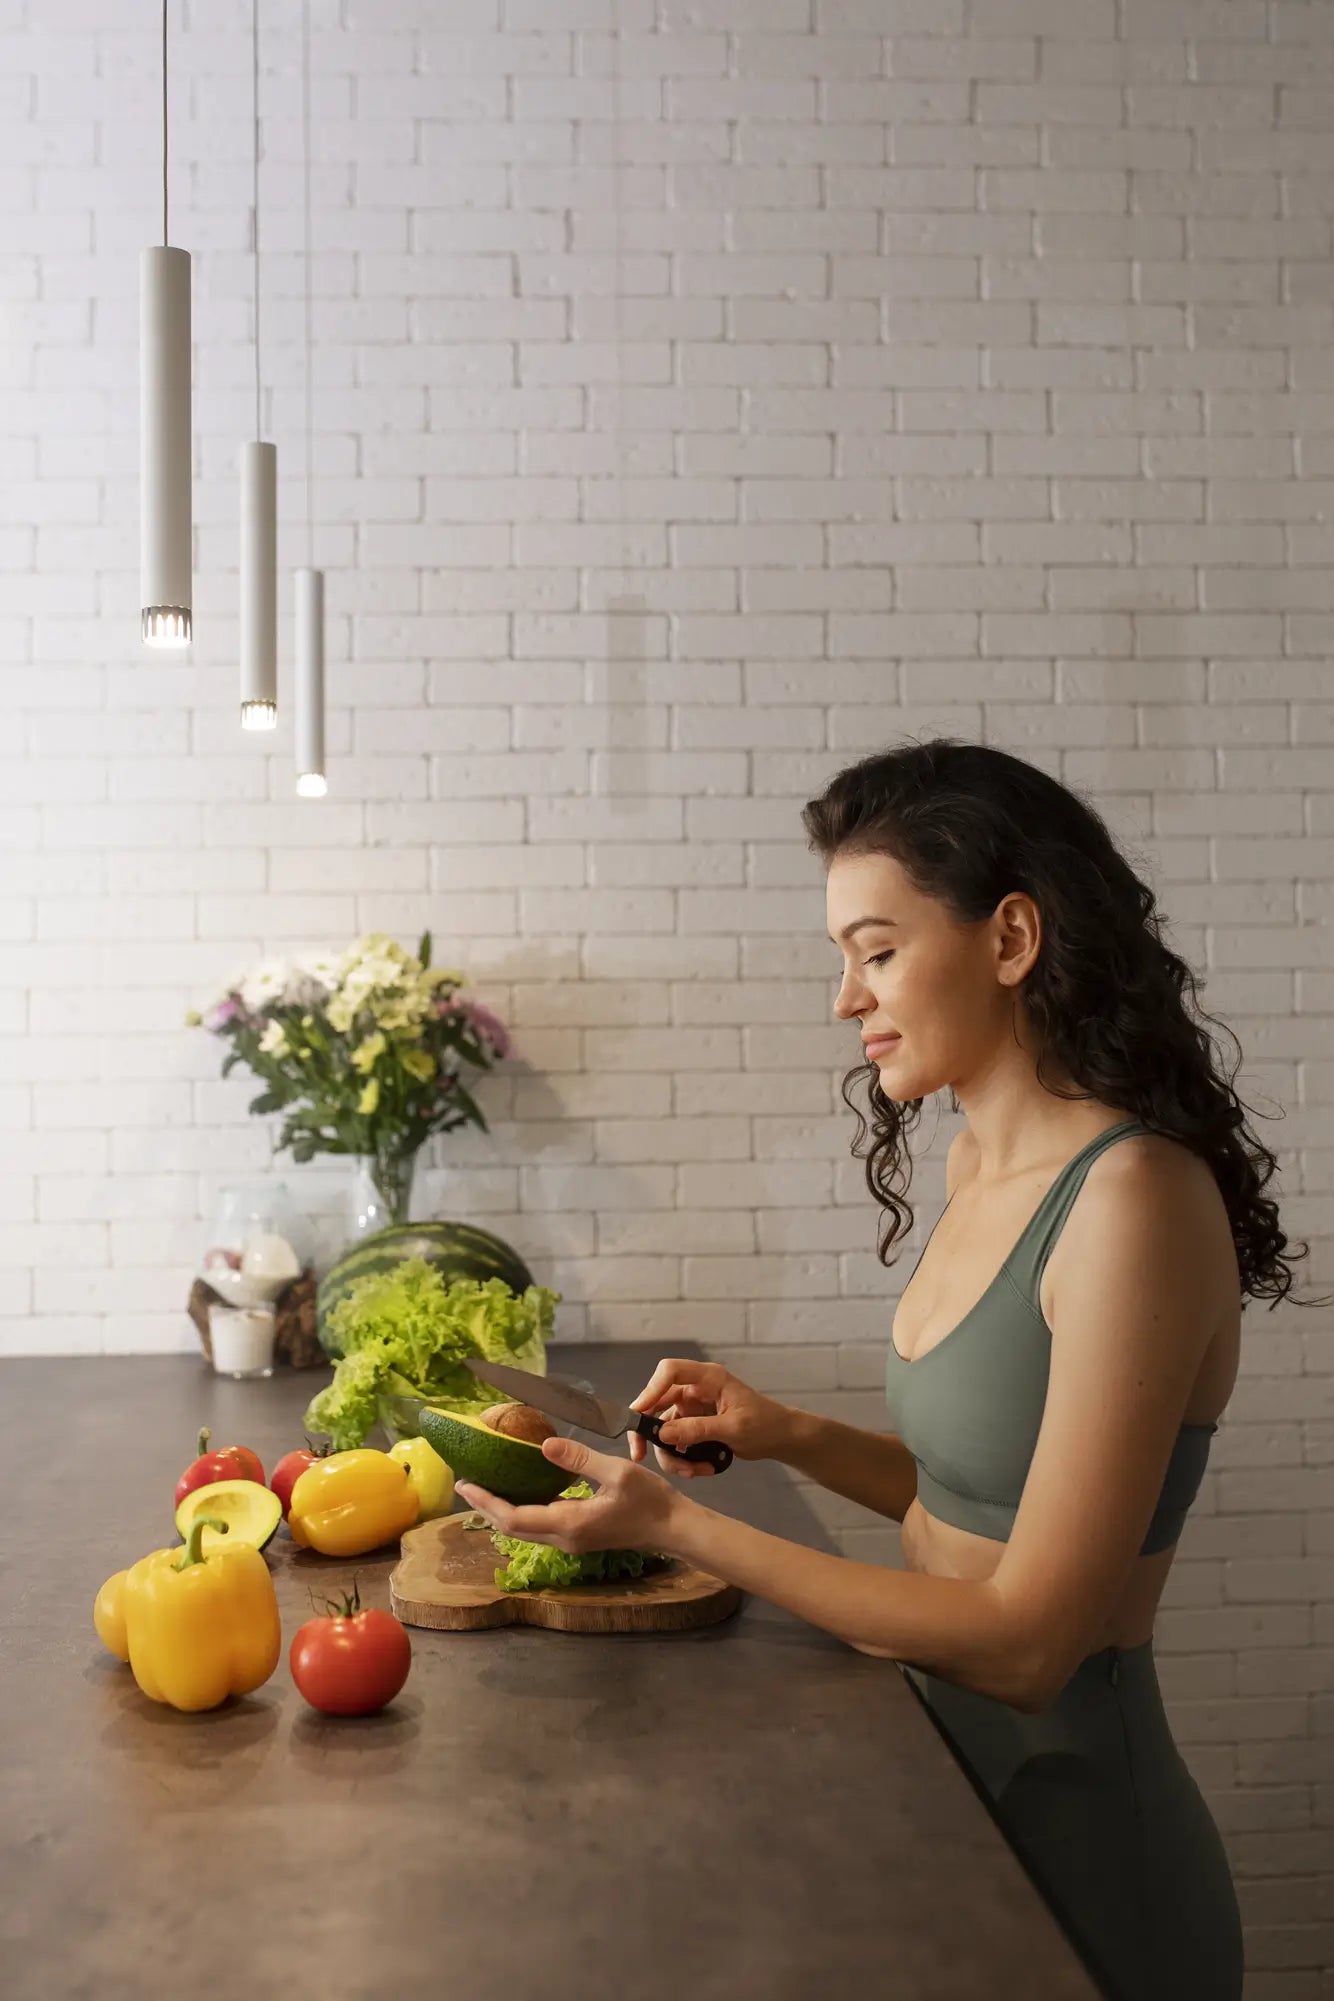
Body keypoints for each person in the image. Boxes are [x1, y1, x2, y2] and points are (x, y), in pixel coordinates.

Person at [456, 738, 1315, 2001]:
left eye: (876, 949)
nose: (845, 998)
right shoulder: (977, 1168)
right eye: (841, 960)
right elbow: (982, 1495)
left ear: (1010, 939)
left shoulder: (1133, 1201)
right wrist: (785, 1431)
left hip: (1080, 1843)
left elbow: (1028, 1641)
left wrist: (684, 1528)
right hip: (948, 1798)